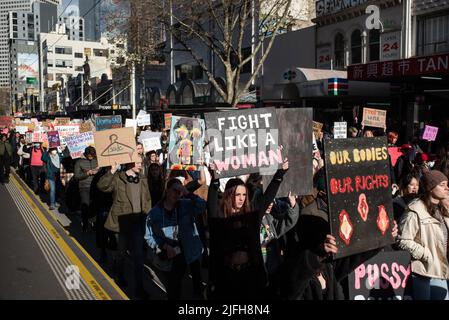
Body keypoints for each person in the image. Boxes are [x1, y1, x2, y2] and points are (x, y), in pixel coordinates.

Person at [207, 158, 289, 300]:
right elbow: (211, 204)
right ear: (229, 194)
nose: (241, 199)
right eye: (237, 195)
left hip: (249, 274)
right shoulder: (219, 217)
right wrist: (214, 181)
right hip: (226, 276)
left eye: (244, 195)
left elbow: (268, 197)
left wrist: (280, 173)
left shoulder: (251, 216)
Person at [145, 178, 206, 300]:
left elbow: (202, 205)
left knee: (180, 283)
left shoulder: (185, 205)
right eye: (174, 190)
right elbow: (149, 236)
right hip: (168, 255)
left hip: (186, 252)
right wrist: (164, 246)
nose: (176, 194)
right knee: (173, 288)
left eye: (179, 191)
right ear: (167, 190)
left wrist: (187, 192)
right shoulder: (155, 212)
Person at [97, 161, 151, 299]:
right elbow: (102, 186)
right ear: (130, 164)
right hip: (122, 222)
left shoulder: (143, 178)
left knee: (138, 258)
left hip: (138, 223)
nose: (141, 165)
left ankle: (139, 288)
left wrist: (147, 214)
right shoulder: (118, 178)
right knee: (121, 253)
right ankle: (119, 275)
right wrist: (112, 170)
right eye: (138, 162)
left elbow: (147, 199)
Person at [397, 170, 449, 300]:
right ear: (431, 188)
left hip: (439, 269)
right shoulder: (415, 211)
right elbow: (403, 240)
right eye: (442, 185)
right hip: (423, 271)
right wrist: (425, 254)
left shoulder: (442, 210)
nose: (447, 188)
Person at [74, 146, 99, 231]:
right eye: (90, 155)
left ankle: (94, 222)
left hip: (96, 186)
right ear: (86, 154)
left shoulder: (97, 161)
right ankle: (85, 223)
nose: (91, 157)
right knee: (85, 205)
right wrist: (87, 173)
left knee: (95, 205)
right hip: (84, 187)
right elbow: (77, 176)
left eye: (93, 155)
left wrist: (98, 170)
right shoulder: (79, 162)